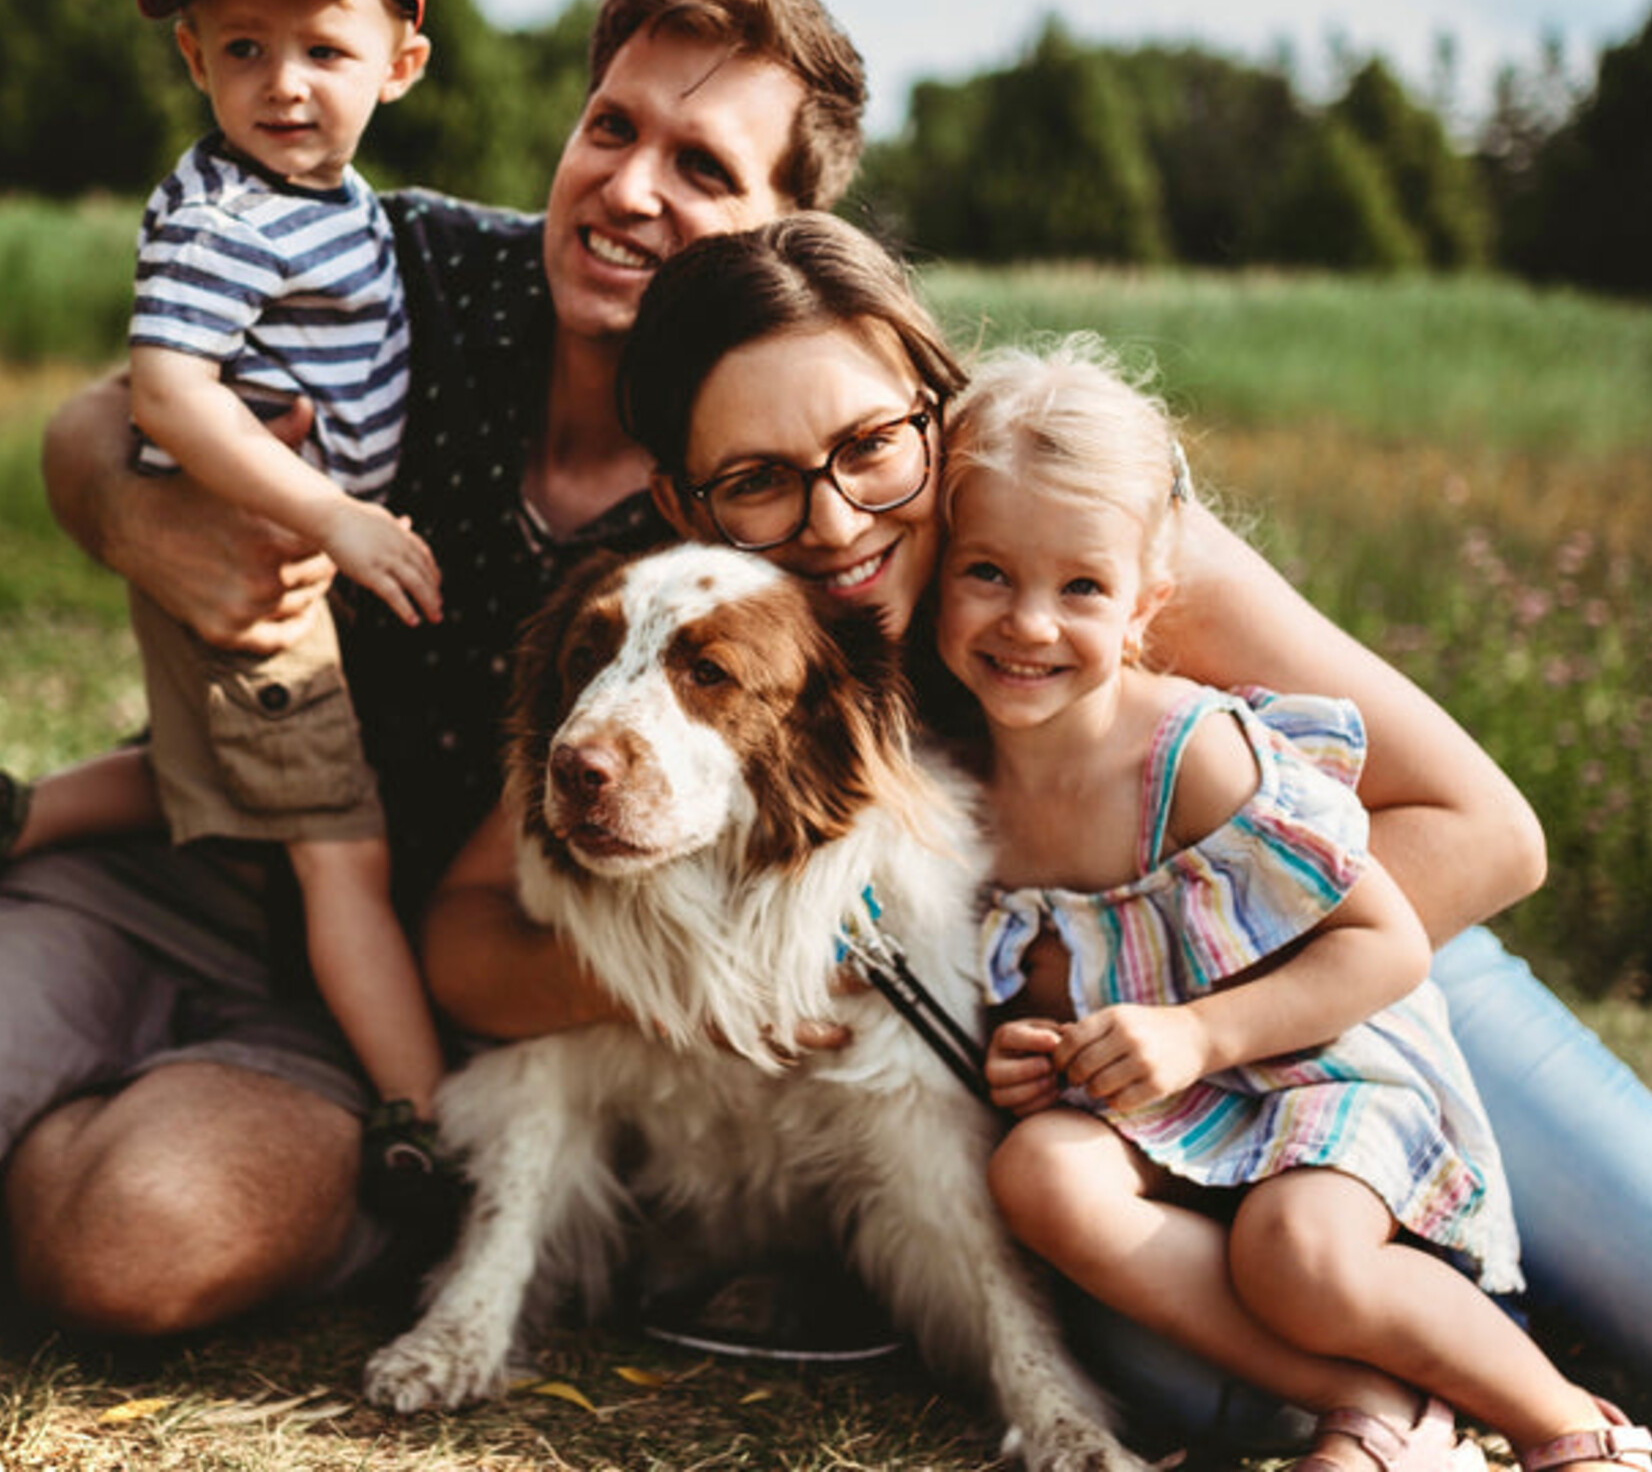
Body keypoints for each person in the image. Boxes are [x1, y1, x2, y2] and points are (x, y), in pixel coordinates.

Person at [424, 210, 1652, 1444]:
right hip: (1121, 1106)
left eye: (869, 446)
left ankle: (1513, 1352)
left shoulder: (1069, 527)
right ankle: (1451, 1370)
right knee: (1188, 1381)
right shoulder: (700, 631)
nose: (835, 521)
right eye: (754, 479)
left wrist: (1165, 1017)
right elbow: (469, 940)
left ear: (931, 408)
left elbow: (1486, 830)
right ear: (682, 502)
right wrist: (714, 980)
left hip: (1371, 990)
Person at [8, 0, 868, 1337]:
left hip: (405, 1002)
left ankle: (197, 1155)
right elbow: (99, 419)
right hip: (184, 847)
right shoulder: (402, 258)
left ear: (785, 230)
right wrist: (137, 517)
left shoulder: (765, 490)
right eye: (611, 128)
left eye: (701, 167)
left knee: (136, 1239)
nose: (628, 187)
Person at [936, 336, 1649, 1472]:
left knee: (1296, 1253)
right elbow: (1065, 971)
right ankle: (1373, 1403)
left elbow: (1384, 943)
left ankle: (1563, 1422)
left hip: (1320, 1066)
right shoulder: (962, 792)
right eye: (986, 573)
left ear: (1144, 605)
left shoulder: (1194, 754)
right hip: (1174, 1089)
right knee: (1039, 1172)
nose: (1027, 622)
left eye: (1079, 587)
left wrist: (1197, 1033)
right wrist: (1036, 1049)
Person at [5, 0, 447, 1158]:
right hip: (258, 570)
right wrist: (334, 517)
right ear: (194, 57)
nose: (283, 83)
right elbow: (167, 392)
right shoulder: (224, 216)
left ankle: (25, 816)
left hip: (268, 564)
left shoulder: (327, 200)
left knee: (212, 770)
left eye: (322, 49)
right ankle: (425, 1119)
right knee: (339, 850)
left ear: (401, 65)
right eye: (243, 49)